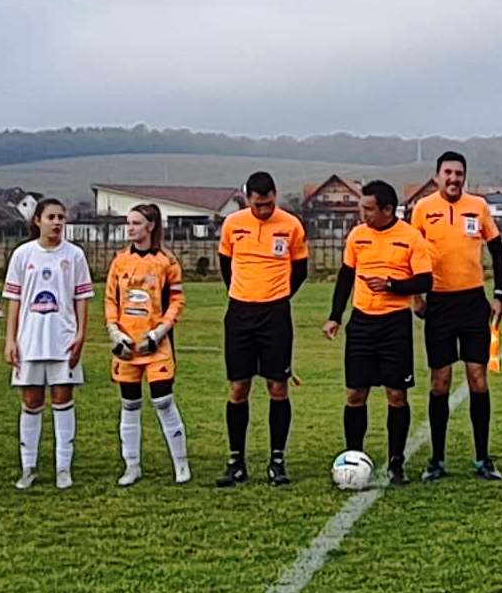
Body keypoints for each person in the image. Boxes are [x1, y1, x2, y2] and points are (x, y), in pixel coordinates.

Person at [323, 179, 437, 480]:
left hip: (394, 325)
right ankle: (352, 459)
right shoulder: (357, 236)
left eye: (369, 209)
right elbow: (346, 276)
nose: (363, 213)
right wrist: (335, 316)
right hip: (361, 323)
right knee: (355, 395)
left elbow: (425, 281)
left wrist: (391, 285)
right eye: (362, 207)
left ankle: (396, 461)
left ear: (387, 209)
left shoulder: (411, 237)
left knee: (396, 395)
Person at [408, 151, 502, 479]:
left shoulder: (477, 206)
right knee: (441, 382)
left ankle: (482, 459)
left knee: (477, 379)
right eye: (448, 173)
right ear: (437, 176)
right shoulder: (422, 209)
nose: (453, 179)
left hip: (472, 303)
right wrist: (415, 296)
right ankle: (436, 460)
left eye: (459, 173)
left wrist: (499, 295)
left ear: (465, 177)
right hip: (438, 304)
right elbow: (410, 254)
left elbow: (497, 251)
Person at [215, 172, 311, 487]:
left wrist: (276, 296)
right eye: (258, 205)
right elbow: (226, 266)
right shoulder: (233, 224)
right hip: (240, 313)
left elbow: (300, 271)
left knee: (277, 387)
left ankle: (277, 460)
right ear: (247, 198)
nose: (264, 210)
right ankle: (236, 461)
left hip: (275, 315)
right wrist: (245, 294)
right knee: (238, 388)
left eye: (268, 204)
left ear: (275, 195)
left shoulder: (291, 225)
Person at [5, 197, 94, 489]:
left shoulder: (75, 256)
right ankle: (28, 467)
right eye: (51, 217)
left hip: (63, 340)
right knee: (31, 402)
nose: (57, 222)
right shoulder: (22, 255)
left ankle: (62, 469)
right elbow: (15, 301)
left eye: (61, 217)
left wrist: (81, 334)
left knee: (62, 400)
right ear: (37, 220)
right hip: (30, 340)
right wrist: (10, 339)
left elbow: (81, 298)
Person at [105, 204, 194, 486]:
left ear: (151, 225)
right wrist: (114, 332)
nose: (130, 228)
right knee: (129, 405)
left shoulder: (166, 262)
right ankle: (132, 465)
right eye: (128, 223)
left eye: (136, 223)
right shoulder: (119, 261)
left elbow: (177, 301)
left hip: (156, 346)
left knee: (163, 401)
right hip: (127, 347)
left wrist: (159, 332)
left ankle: (181, 465)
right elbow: (110, 299)